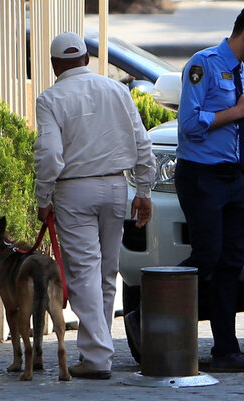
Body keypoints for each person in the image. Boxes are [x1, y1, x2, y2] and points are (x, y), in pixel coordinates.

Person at [33, 32, 156, 380]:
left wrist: (43, 199)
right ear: (87, 59)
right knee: (105, 273)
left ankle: (98, 357)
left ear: (55, 65)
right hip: (117, 186)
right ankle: (97, 351)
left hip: (74, 190)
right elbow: (142, 143)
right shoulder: (117, 90)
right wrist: (143, 191)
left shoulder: (50, 98)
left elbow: (49, 156)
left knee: (83, 273)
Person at [176, 3, 244, 372]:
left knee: (231, 262)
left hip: (234, 177)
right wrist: (238, 111)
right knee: (207, 255)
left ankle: (226, 350)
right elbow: (190, 124)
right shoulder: (202, 64)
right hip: (202, 175)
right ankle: (155, 314)